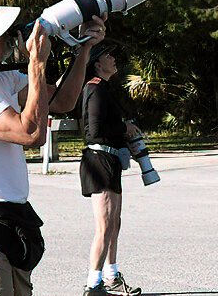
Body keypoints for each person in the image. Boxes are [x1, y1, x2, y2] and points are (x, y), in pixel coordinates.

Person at [0, 0, 104, 296]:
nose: (7, 37)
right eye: (0, 33)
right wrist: (36, 63)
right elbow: (31, 132)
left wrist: (84, 50)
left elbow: (62, 101)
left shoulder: (2, 77)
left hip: (9, 215)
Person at [77, 45, 143, 296]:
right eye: (108, 56)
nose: (114, 58)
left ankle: (112, 277)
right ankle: (93, 285)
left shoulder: (104, 88)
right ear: (97, 64)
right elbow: (93, 132)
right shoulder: (94, 88)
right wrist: (123, 128)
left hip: (111, 160)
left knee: (115, 223)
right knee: (104, 226)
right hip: (99, 162)